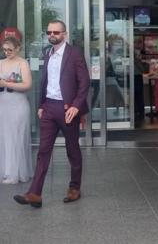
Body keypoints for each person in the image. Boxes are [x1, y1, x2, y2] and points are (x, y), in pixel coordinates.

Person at [13, 19, 90, 208]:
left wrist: (76, 107)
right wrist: (41, 105)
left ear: (64, 34)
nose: (52, 36)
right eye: (49, 33)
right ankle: (35, 194)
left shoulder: (75, 54)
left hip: (67, 109)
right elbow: (45, 81)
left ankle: (74, 188)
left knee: (72, 150)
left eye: (56, 32)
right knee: (43, 151)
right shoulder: (47, 53)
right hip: (48, 108)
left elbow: (85, 82)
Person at [0, 36, 33, 184]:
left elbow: (27, 85)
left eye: (10, 50)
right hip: (3, 103)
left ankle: (16, 173)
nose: (7, 52)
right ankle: (6, 171)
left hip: (18, 104)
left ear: (18, 48)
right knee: (5, 137)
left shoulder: (22, 63)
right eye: (5, 49)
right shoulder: (1, 63)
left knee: (17, 137)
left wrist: (6, 83)